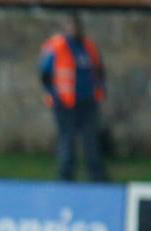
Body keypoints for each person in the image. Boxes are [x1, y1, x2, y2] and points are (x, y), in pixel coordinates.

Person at [39, 14, 106, 182]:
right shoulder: (56, 46)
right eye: (70, 26)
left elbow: (98, 70)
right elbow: (45, 73)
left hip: (87, 101)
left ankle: (97, 177)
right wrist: (52, 94)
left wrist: (99, 90)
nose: (73, 30)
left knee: (90, 141)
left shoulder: (88, 47)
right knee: (66, 141)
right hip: (65, 102)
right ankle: (66, 178)